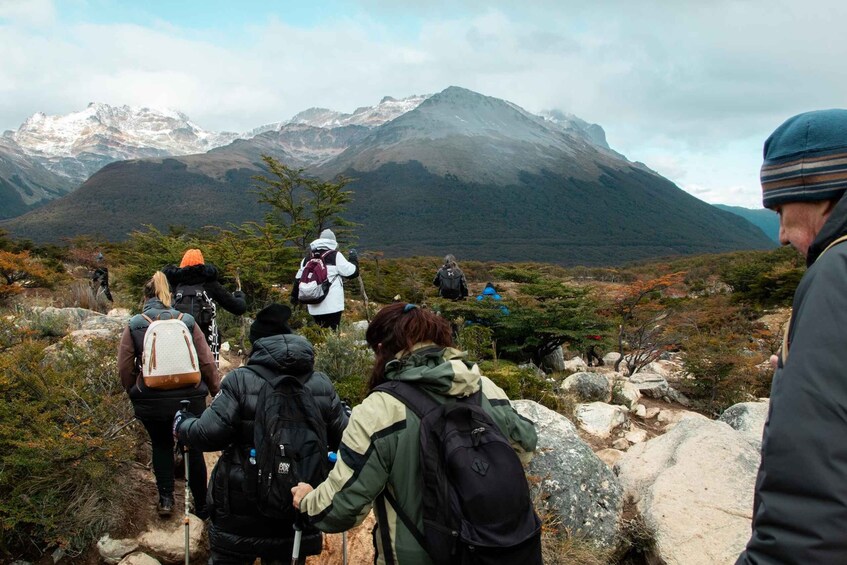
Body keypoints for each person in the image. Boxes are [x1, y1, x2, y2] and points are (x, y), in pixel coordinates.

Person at [291, 302, 538, 564]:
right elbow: (527, 445)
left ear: (380, 349)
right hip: (496, 551)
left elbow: (339, 509)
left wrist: (307, 500)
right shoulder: (484, 388)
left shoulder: (379, 410)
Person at [737, 109, 847, 564]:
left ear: (819, 191)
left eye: (782, 209)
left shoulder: (837, 272)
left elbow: (811, 491)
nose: (781, 235)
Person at [174, 303, 349, 565]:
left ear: (257, 345)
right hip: (297, 503)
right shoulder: (321, 384)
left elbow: (208, 434)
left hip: (240, 505)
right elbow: (347, 440)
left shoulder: (239, 380)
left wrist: (182, 424)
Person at [117, 271, 219, 518]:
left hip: (152, 398)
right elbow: (206, 361)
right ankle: (202, 506)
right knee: (192, 448)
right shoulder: (187, 320)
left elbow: (124, 366)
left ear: (146, 296)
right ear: (168, 295)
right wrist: (215, 390)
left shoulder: (135, 323)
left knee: (161, 444)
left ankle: (165, 500)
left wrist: (134, 390)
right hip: (190, 397)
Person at [163, 248, 247, 366]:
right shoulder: (210, 284)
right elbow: (239, 308)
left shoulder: (173, 284)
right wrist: (239, 296)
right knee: (207, 376)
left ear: (182, 265)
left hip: (178, 340)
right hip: (207, 341)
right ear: (202, 265)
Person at [291, 229, 358, 330]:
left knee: (318, 333)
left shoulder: (307, 258)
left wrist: (294, 299)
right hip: (333, 305)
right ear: (333, 242)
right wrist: (353, 258)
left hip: (313, 303)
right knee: (332, 333)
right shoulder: (335, 255)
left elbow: (298, 280)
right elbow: (352, 273)